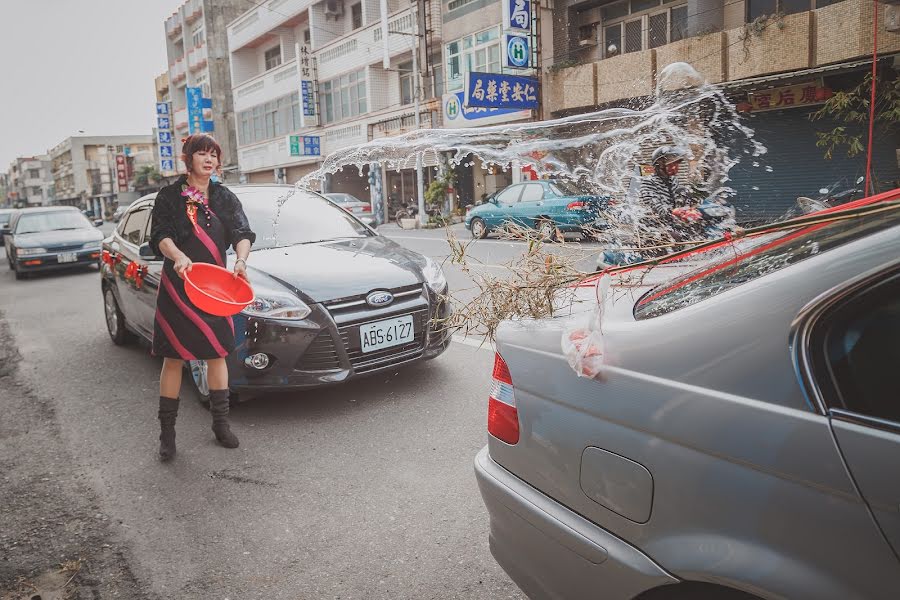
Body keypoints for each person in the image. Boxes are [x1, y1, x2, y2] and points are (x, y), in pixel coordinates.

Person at [148, 134, 255, 462]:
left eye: (213, 155)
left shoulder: (223, 196)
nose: (209, 160)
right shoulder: (168, 196)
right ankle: (167, 433)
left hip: (215, 289)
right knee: (174, 359)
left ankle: (220, 424)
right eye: (202, 154)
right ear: (189, 158)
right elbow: (160, 235)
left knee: (216, 355)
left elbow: (242, 233)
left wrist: (240, 260)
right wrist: (178, 255)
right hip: (179, 286)